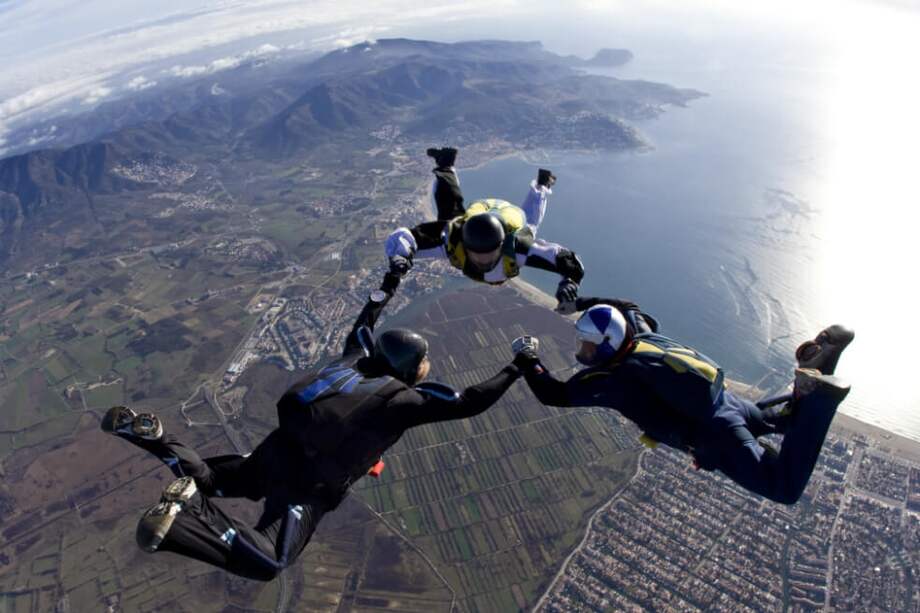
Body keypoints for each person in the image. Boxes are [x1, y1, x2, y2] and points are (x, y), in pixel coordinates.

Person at [101, 272, 524, 581]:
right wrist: (517, 367)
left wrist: (392, 278)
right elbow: (470, 402)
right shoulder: (404, 402)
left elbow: (365, 321)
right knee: (270, 560)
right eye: (424, 362)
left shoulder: (350, 360)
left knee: (211, 478)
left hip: (273, 452)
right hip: (305, 487)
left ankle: (159, 441)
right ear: (411, 368)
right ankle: (184, 519)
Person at [510, 296, 854, 505]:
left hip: (715, 434)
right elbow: (627, 306)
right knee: (788, 422)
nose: (583, 352)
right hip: (728, 403)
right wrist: (582, 304)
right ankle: (820, 368)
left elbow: (552, 394)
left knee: (783, 487)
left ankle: (820, 397)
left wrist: (528, 359)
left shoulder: (610, 379)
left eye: (587, 346)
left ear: (605, 345)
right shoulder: (641, 334)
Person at [385, 147, 582, 311]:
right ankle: (445, 164)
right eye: (477, 254)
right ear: (466, 244)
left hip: (508, 217)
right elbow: (408, 236)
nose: (482, 261)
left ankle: (543, 184)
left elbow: (565, 258)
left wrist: (569, 282)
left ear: (502, 244)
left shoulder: (519, 247)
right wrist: (401, 256)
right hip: (478, 216)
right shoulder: (455, 239)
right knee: (450, 214)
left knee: (529, 225)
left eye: (488, 254)